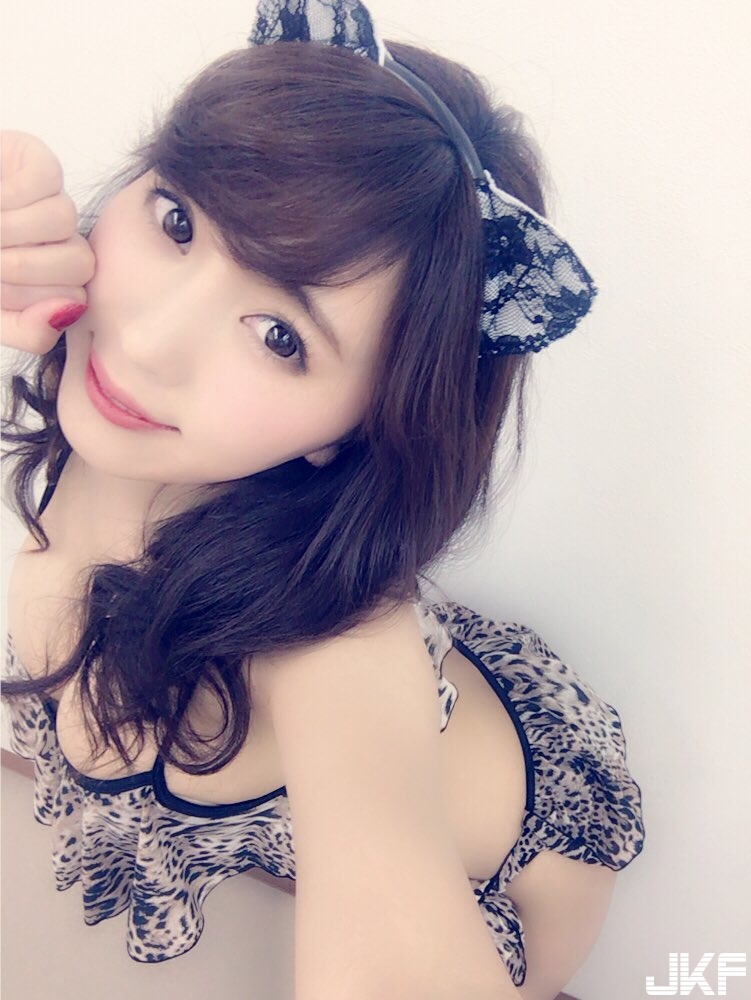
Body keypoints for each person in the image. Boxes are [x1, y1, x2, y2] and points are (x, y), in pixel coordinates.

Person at [0, 1, 644, 998]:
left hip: (522, 875)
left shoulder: (334, 656)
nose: (145, 340)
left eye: (280, 337)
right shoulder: (95, 386)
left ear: (361, 422)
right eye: (177, 222)